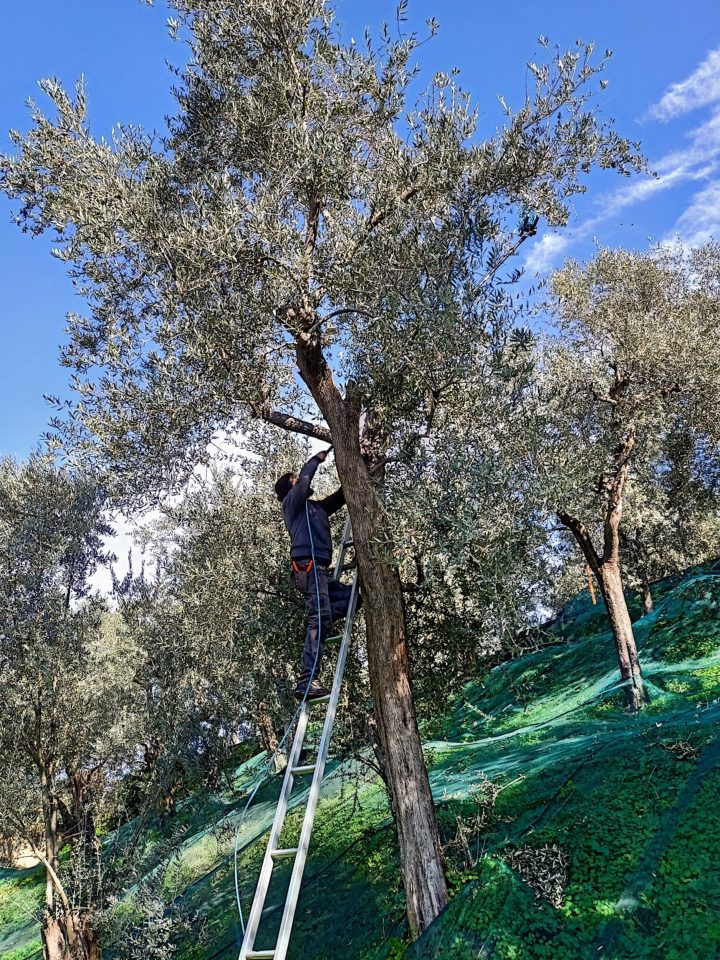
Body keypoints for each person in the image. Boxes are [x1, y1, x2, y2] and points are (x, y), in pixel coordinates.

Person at [274, 449, 356, 700]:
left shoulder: (316, 508)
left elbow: (338, 498)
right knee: (318, 620)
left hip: (320, 573)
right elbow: (306, 479)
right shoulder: (292, 506)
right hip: (308, 570)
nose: (300, 480)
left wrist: (355, 477)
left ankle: (326, 622)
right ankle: (306, 682)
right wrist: (315, 460)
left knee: (354, 596)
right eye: (295, 480)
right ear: (290, 489)